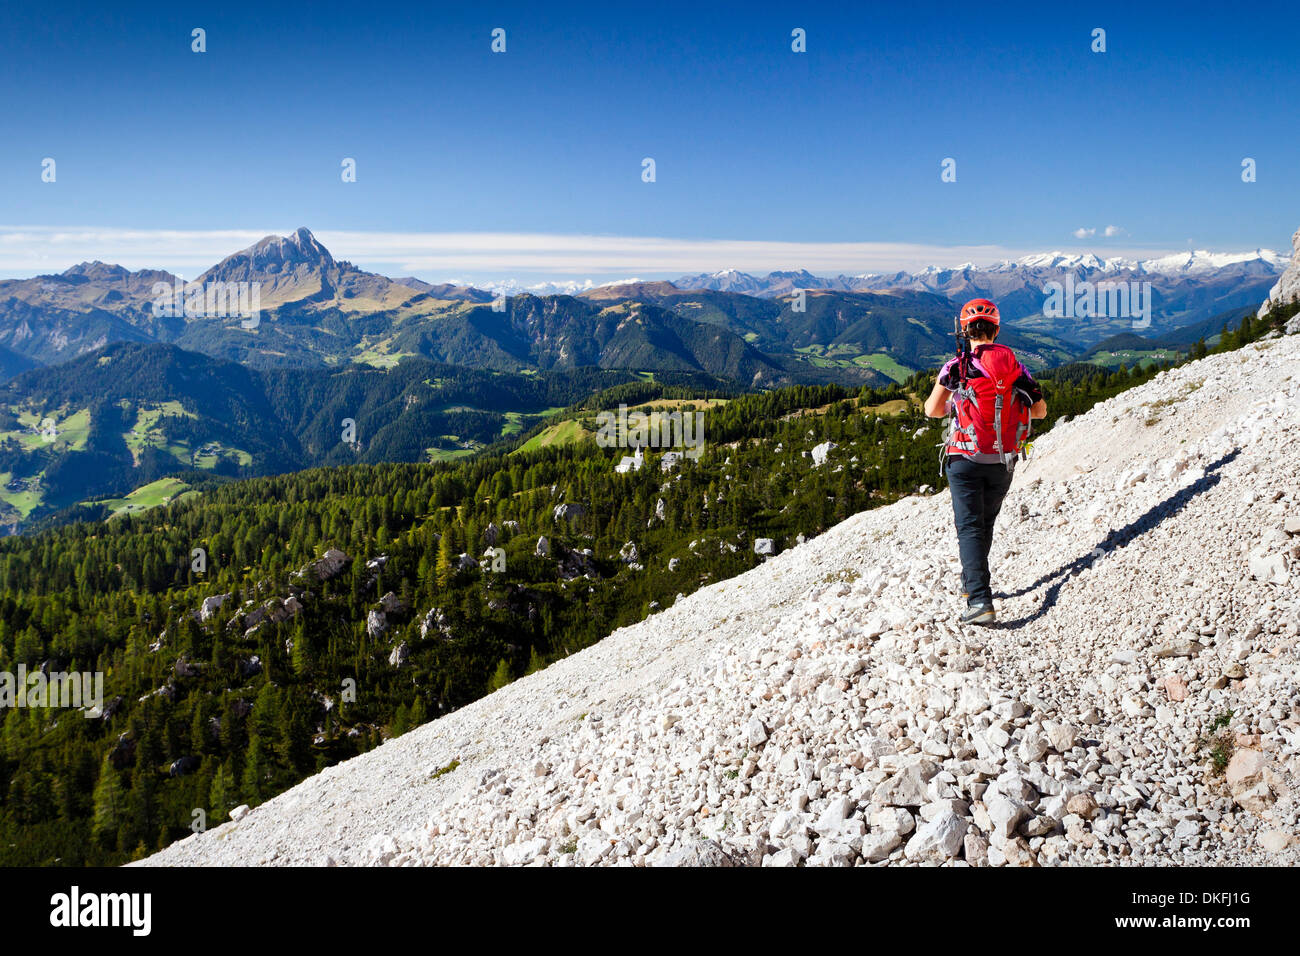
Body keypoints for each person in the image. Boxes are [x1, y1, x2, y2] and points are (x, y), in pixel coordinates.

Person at [923, 299, 1047, 625]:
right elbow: (1040, 411)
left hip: (964, 456)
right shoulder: (1016, 367)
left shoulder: (957, 366)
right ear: (997, 329)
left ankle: (979, 600)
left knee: (969, 528)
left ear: (965, 331)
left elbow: (932, 410)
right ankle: (974, 582)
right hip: (1003, 459)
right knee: (983, 525)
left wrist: (957, 403)